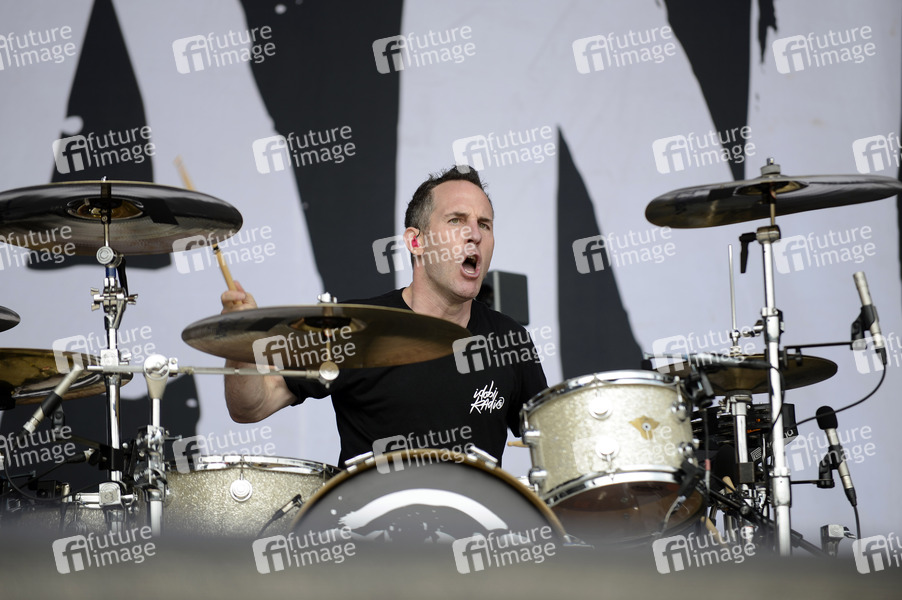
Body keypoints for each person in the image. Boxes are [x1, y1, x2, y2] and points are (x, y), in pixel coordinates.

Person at [220, 166, 547, 467]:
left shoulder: (509, 341)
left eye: (484, 224)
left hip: (477, 513)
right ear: (415, 241)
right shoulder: (355, 328)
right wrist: (242, 339)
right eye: (456, 220)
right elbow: (250, 406)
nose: (474, 234)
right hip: (372, 512)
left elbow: (553, 443)